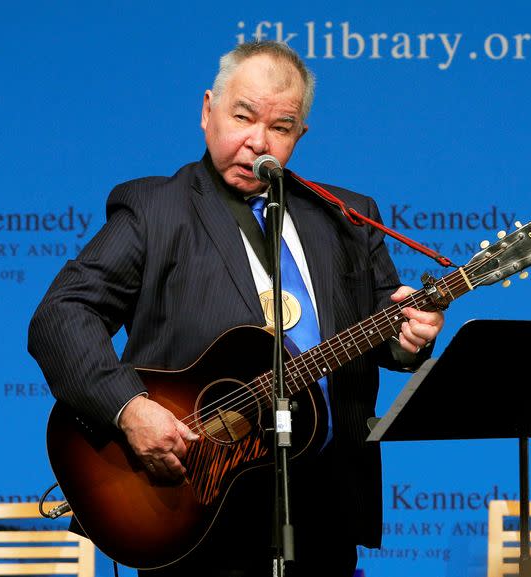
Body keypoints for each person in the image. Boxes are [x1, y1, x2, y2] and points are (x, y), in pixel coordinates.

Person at [28, 40, 444, 577]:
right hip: (193, 507)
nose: (258, 142)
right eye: (242, 116)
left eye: (281, 126)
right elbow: (61, 316)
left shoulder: (349, 217)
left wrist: (411, 336)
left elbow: (385, 335)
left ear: (300, 135)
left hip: (325, 510)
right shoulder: (156, 209)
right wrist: (129, 408)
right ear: (208, 111)